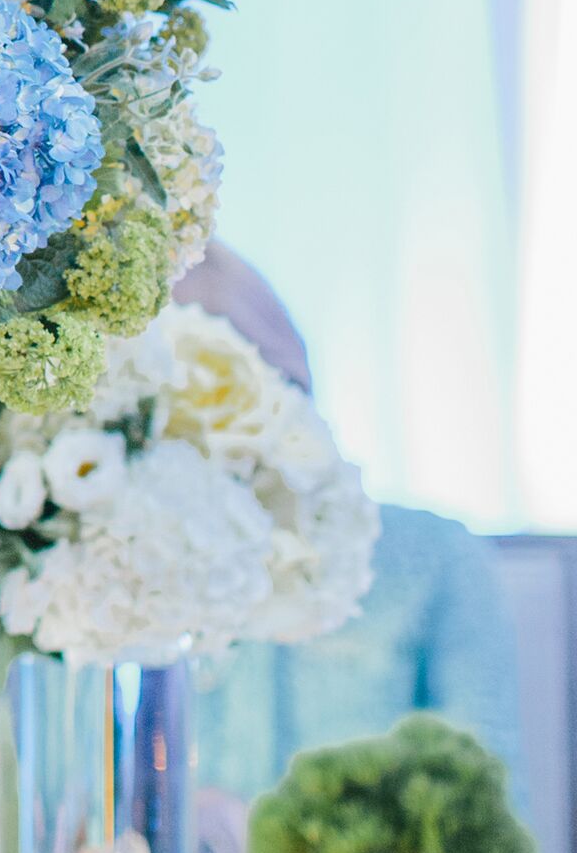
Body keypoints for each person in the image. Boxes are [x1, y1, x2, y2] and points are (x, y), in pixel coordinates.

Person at [176, 247, 527, 809]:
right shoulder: (97, 574)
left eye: (236, 383)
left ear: (294, 379)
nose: (210, 432)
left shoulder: (433, 560)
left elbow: (492, 849)